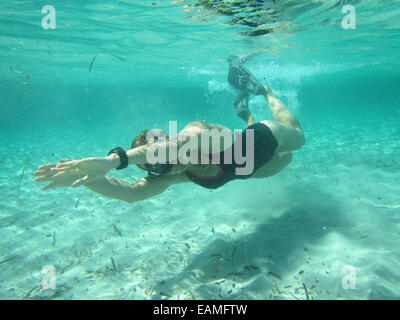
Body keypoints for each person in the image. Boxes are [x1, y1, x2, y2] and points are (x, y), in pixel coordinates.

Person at [34, 60, 305, 203]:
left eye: (167, 160)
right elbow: (131, 193)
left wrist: (113, 161)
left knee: (298, 138)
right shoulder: (177, 174)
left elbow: (173, 148)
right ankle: (244, 111)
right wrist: (85, 179)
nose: (173, 168)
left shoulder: (195, 135)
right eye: (160, 169)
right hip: (253, 169)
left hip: (264, 136)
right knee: (287, 160)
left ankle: (264, 91)